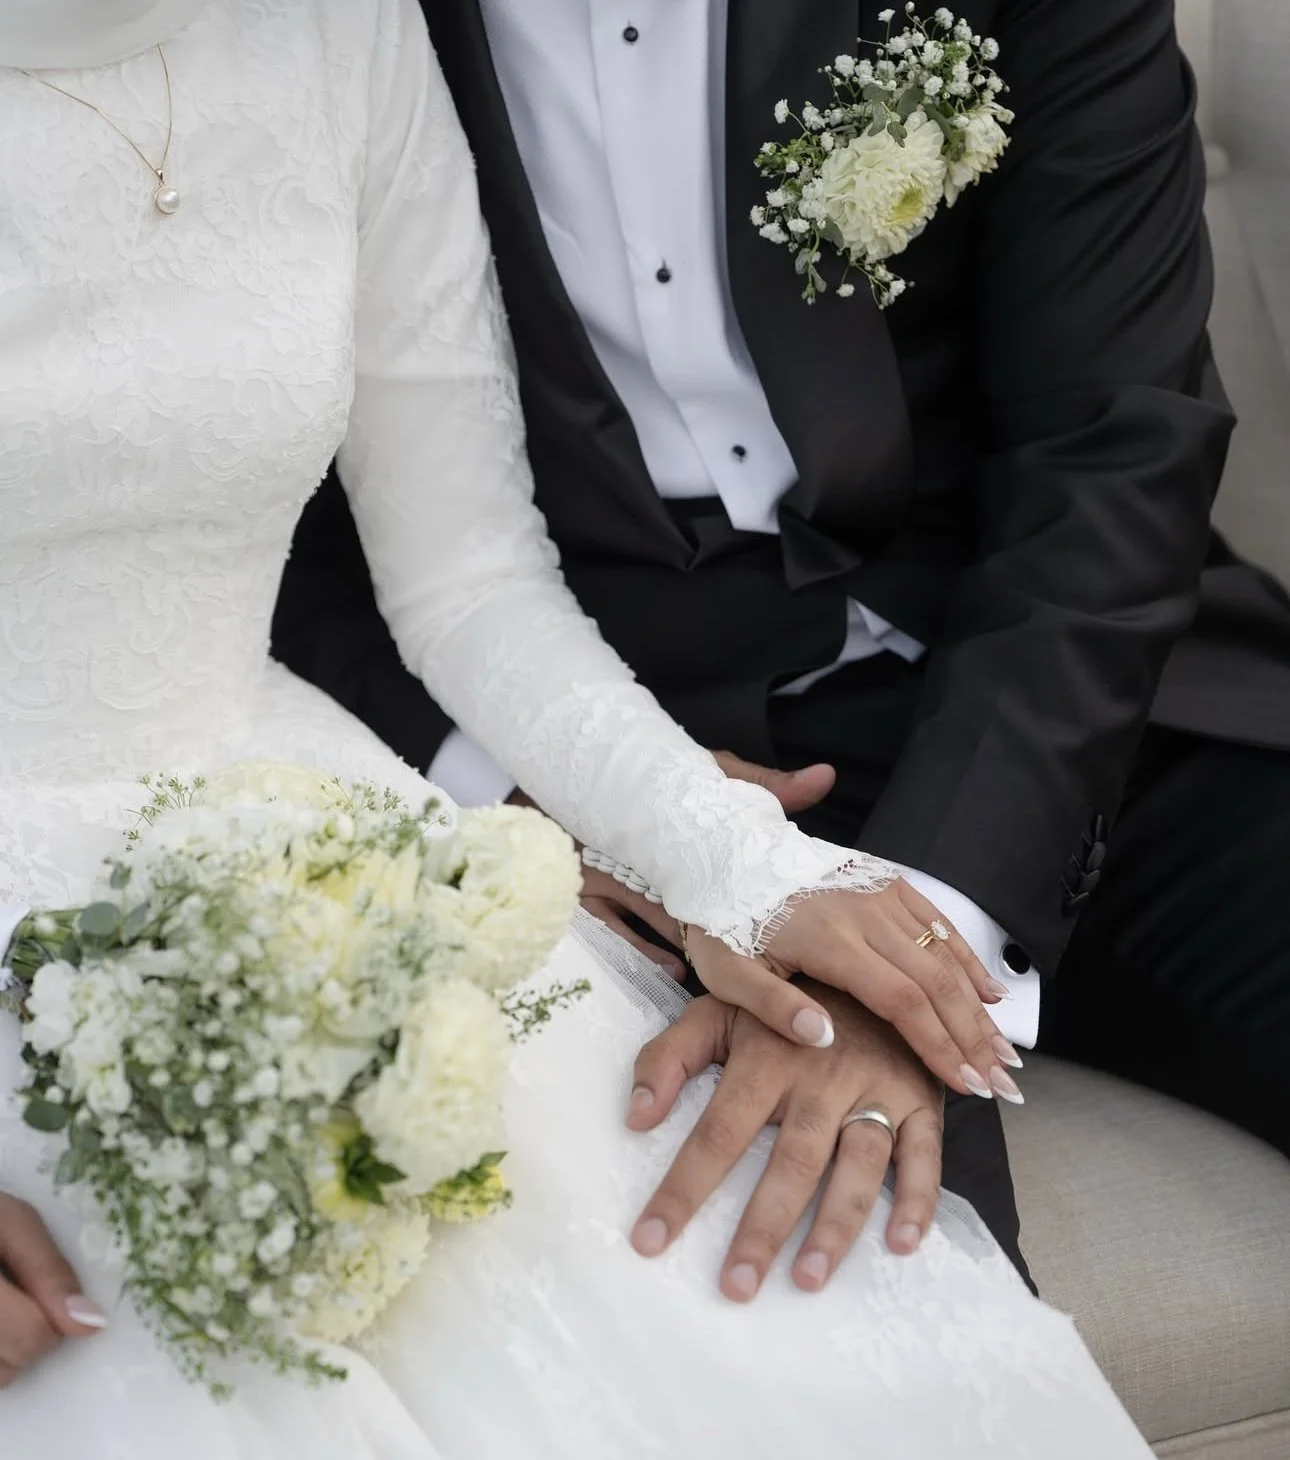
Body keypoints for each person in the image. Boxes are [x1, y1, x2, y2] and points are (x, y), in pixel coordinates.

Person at [0, 0, 1154, 1453]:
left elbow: (467, 578)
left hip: (304, 830)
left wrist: (740, 866)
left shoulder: (341, 31)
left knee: (783, 1341)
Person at [277, 0, 1290, 1233]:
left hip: (1070, 697)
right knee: (840, 1280)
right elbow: (264, 509)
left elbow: (1114, 445)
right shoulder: (305, 28)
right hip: (626, 768)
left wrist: (919, 936)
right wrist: (525, 796)